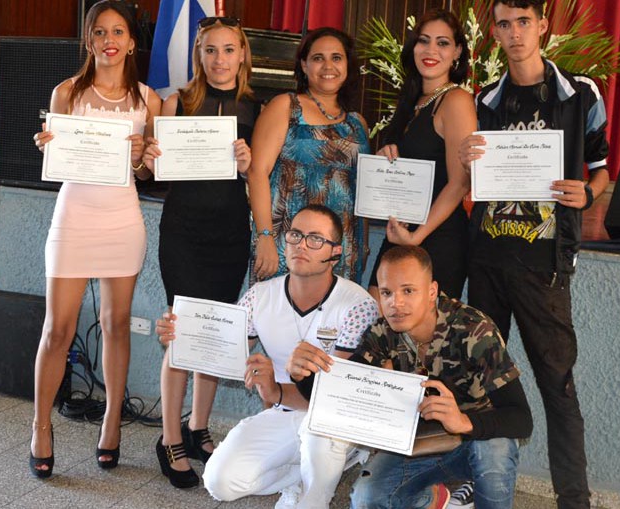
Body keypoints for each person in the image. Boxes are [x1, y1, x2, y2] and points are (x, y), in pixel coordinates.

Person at [457, 0, 611, 507]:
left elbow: (604, 167)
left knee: (558, 386)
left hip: (546, 264)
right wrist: (467, 159)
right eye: (505, 24)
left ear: (542, 26)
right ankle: (469, 484)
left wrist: (588, 192)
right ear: (495, 32)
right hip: (487, 259)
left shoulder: (580, 92)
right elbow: (472, 178)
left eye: (524, 22)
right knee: (476, 380)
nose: (515, 33)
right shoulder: (485, 99)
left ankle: (574, 499)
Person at [156, 205, 380, 508]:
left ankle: (315, 495)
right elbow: (216, 350)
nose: (301, 245)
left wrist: (274, 390)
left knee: (319, 435)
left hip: (332, 419)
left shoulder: (358, 305)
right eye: (295, 235)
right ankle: (300, 477)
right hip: (284, 412)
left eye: (315, 239)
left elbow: (335, 399)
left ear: (335, 252)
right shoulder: (259, 296)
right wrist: (180, 336)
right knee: (219, 481)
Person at [287, 246, 533, 509]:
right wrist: (301, 375)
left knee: (496, 449)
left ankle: (473, 489)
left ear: (431, 291)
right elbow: (340, 397)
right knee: (366, 499)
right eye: (386, 293)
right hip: (417, 443)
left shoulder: (475, 331)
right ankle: (433, 499)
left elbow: (521, 419)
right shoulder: (381, 333)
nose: (396, 303)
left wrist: (463, 421)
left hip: (473, 443)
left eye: (408, 290)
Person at [28, 0, 160, 478]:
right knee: (57, 330)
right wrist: (49, 146)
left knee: (117, 325)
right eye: (100, 31)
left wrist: (145, 155)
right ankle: (41, 426)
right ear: (89, 41)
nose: (110, 39)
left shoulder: (150, 99)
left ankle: (111, 422)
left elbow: (145, 174)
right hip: (74, 216)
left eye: (119, 31)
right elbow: (56, 166)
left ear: (130, 41)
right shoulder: (67, 92)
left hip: (122, 218)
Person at [139, 15, 257, 489]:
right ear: (198, 55)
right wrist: (148, 162)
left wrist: (248, 166)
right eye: (210, 50)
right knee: (182, 330)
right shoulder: (175, 101)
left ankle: (197, 428)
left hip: (229, 232)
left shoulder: (254, 106)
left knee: (215, 331)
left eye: (229, 50)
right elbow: (151, 177)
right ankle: (169, 438)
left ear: (242, 54)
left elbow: (260, 176)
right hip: (184, 232)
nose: (220, 59)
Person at [248, 27, 370, 284]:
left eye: (337, 58)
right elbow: (257, 172)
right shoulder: (285, 106)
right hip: (288, 240)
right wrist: (265, 236)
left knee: (332, 320)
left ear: (348, 65)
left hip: (341, 246)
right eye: (318, 58)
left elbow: (363, 191)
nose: (328, 66)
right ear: (304, 65)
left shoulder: (358, 123)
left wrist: (363, 245)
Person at [368, 8, 475, 301]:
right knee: (381, 327)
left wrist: (417, 237)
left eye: (442, 43)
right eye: (423, 41)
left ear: (457, 52)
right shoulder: (412, 100)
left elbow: (459, 183)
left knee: (426, 340)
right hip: (401, 233)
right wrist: (384, 161)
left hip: (436, 237)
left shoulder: (456, 100)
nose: (431, 50)